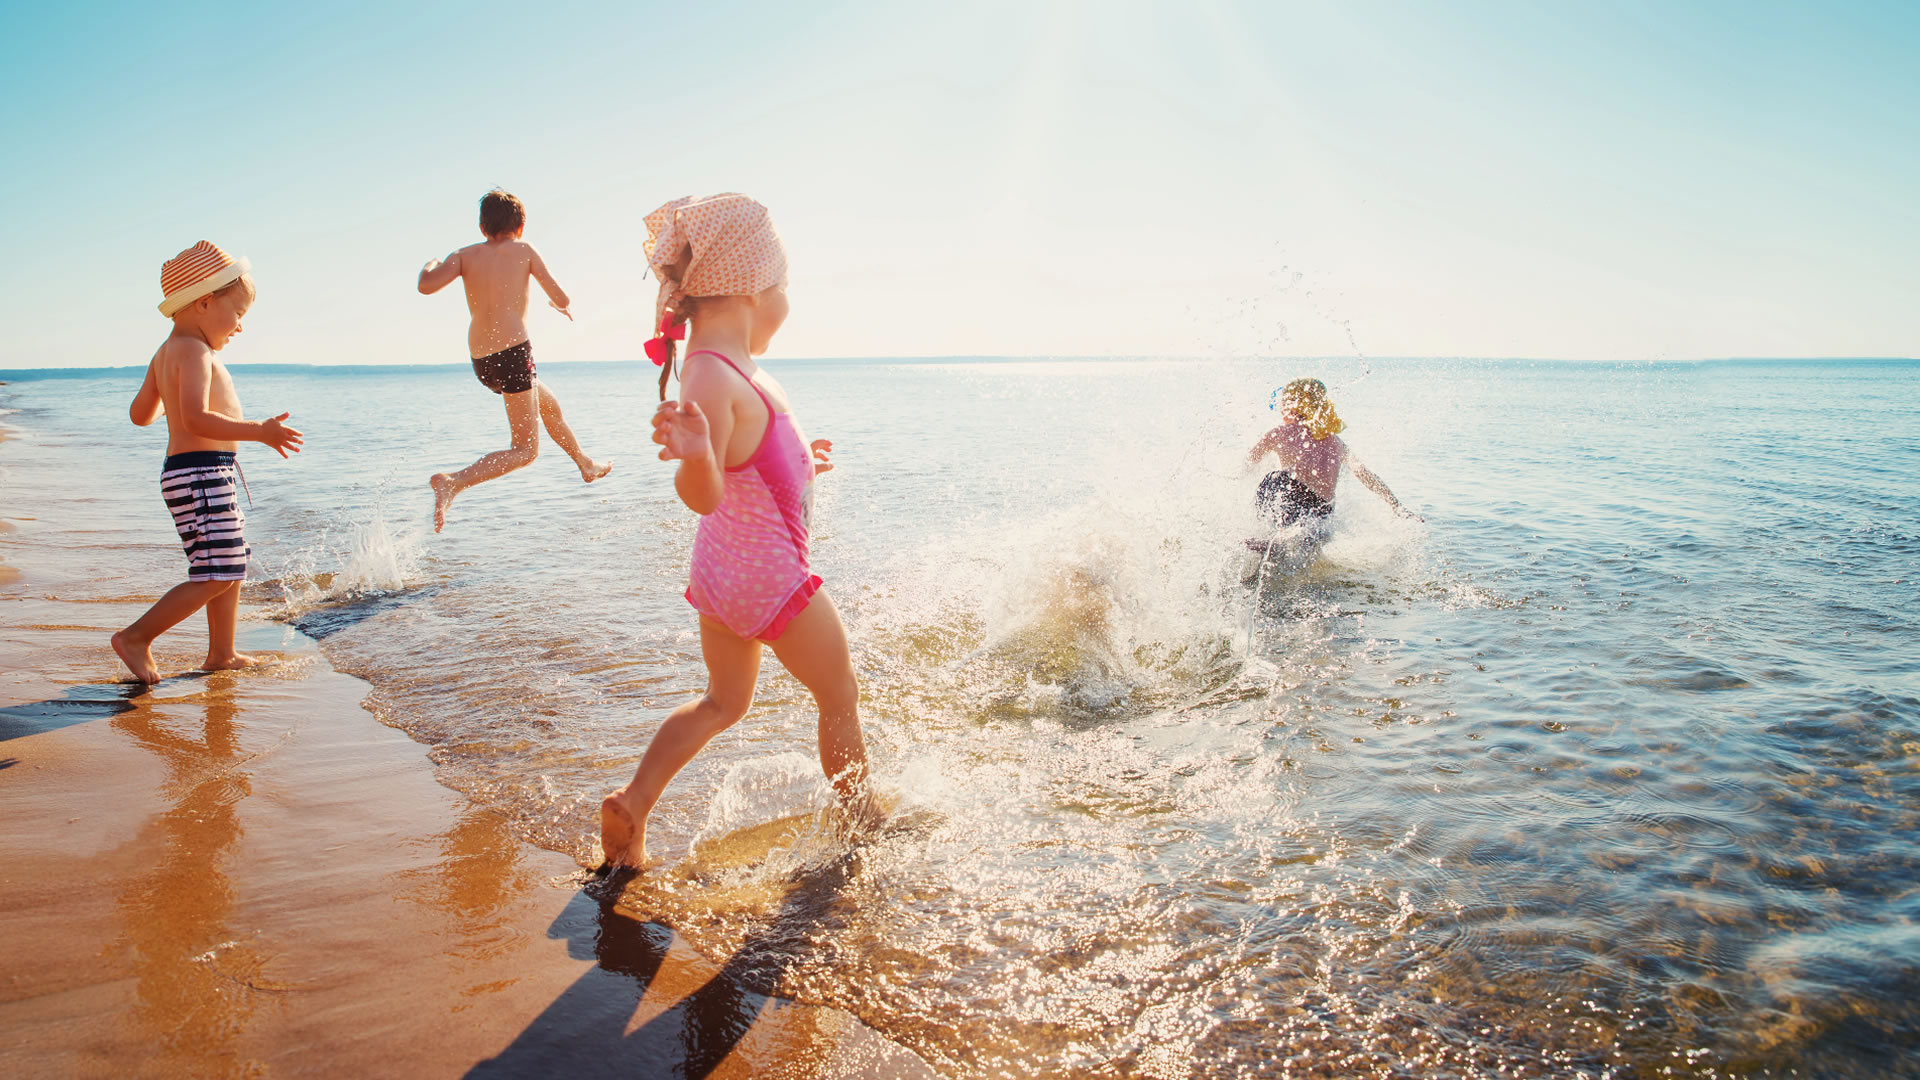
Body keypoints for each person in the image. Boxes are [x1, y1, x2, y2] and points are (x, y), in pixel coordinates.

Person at [600, 193, 869, 870]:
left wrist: (809, 460)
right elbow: (706, 491)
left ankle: (634, 802)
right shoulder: (709, 374)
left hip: (721, 581)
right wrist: (694, 454)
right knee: (839, 694)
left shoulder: (731, 369)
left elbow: (755, 464)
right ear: (753, 288)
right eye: (786, 288)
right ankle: (864, 824)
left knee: (723, 701)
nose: (788, 303)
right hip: (769, 581)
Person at [111, 242, 305, 685]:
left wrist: (170, 400)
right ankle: (137, 637)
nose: (240, 327)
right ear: (203, 303)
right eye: (237, 314)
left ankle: (222, 653)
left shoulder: (167, 351)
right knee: (217, 570)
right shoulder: (195, 352)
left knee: (228, 562)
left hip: (199, 472)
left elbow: (140, 415)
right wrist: (260, 430)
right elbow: (197, 417)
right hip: (199, 473)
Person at [418, 189, 611, 532]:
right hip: (513, 354)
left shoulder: (463, 255)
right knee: (525, 451)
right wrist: (558, 306)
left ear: (482, 227)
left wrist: (432, 262)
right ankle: (453, 482)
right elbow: (562, 297)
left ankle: (585, 462)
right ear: (521, 226)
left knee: (548, 405)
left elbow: (426, 286)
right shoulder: (524, 249)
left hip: (482, 362)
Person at [1247, 378, 1418, 532]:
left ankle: (1265, 535)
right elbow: (1366, 476)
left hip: (1292, 495)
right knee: (1308, 537)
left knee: (1273, 479)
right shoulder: (1336, 442)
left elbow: (1249, 462)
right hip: (1322, 510)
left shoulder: (1280, 433)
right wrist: (1397, 507)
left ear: (1289, 406)